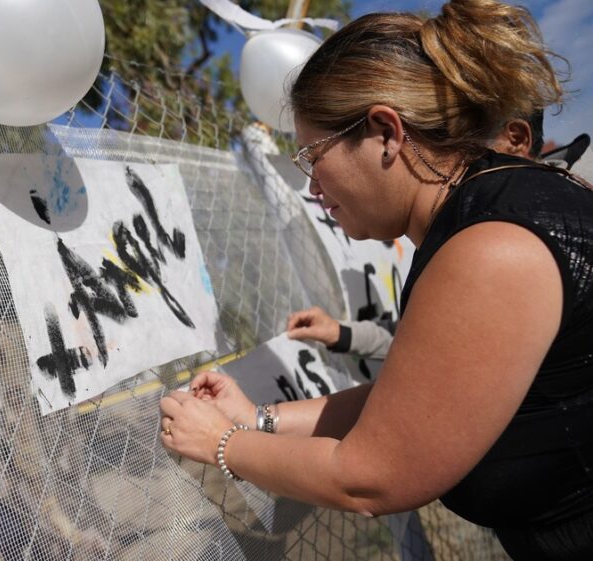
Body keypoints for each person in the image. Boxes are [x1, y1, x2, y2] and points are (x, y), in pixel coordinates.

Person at [158, 2, 593, 559]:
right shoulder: (493, 209)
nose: (312, 186)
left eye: (312, 156)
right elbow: (415, 400)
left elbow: (371, 477)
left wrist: (222, 443)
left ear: (386, 132)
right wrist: (258, 419)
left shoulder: (491, 246)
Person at [287, 110, 550, 360]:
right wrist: (342, 333)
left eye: (470, 138)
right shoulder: (461, 225)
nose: (446, 148)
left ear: (516, 139)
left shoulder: (502, 239)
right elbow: (426, 339)